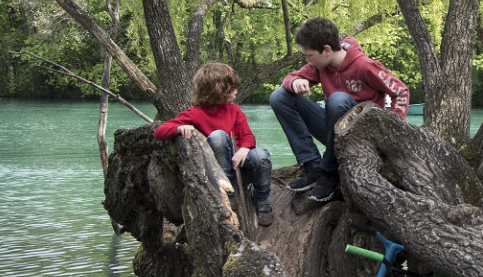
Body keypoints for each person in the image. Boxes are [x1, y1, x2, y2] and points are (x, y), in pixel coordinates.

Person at [270, 17, 410, 203]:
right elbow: (290, 77)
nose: (307, 60)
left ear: (326, 50)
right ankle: (312, 165)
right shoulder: (319, 66)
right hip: (333, 131)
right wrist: (295, 81)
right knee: (279, 96)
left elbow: (401, 92)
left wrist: (391, 129)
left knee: (337, 99)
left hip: (363, 136)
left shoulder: (364, 66)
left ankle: (330, 172)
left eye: (309, 55)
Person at [154, 62, 274, 226]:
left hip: (240, 165)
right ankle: (230, 194)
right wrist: (180, 128)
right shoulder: (195, 113)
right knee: (218, 137)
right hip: (220, 172)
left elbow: (248, 136)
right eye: (232, 89)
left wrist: (244, 149)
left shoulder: (234, 110)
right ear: (219, 92)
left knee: (261, 155)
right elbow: (159, 131)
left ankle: (262, 200)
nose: (236, 91)